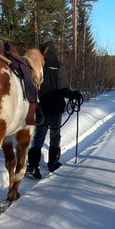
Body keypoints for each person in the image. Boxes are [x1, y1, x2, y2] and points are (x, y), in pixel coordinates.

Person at [26, 41, 82, 179]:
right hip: (56, 108)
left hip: (42, 107)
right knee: (55, 136)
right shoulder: (59, 66)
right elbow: (63, 89)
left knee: (39, 137)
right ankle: (53, 163)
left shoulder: (38, 65)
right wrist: (74, 95)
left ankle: (32, 166)